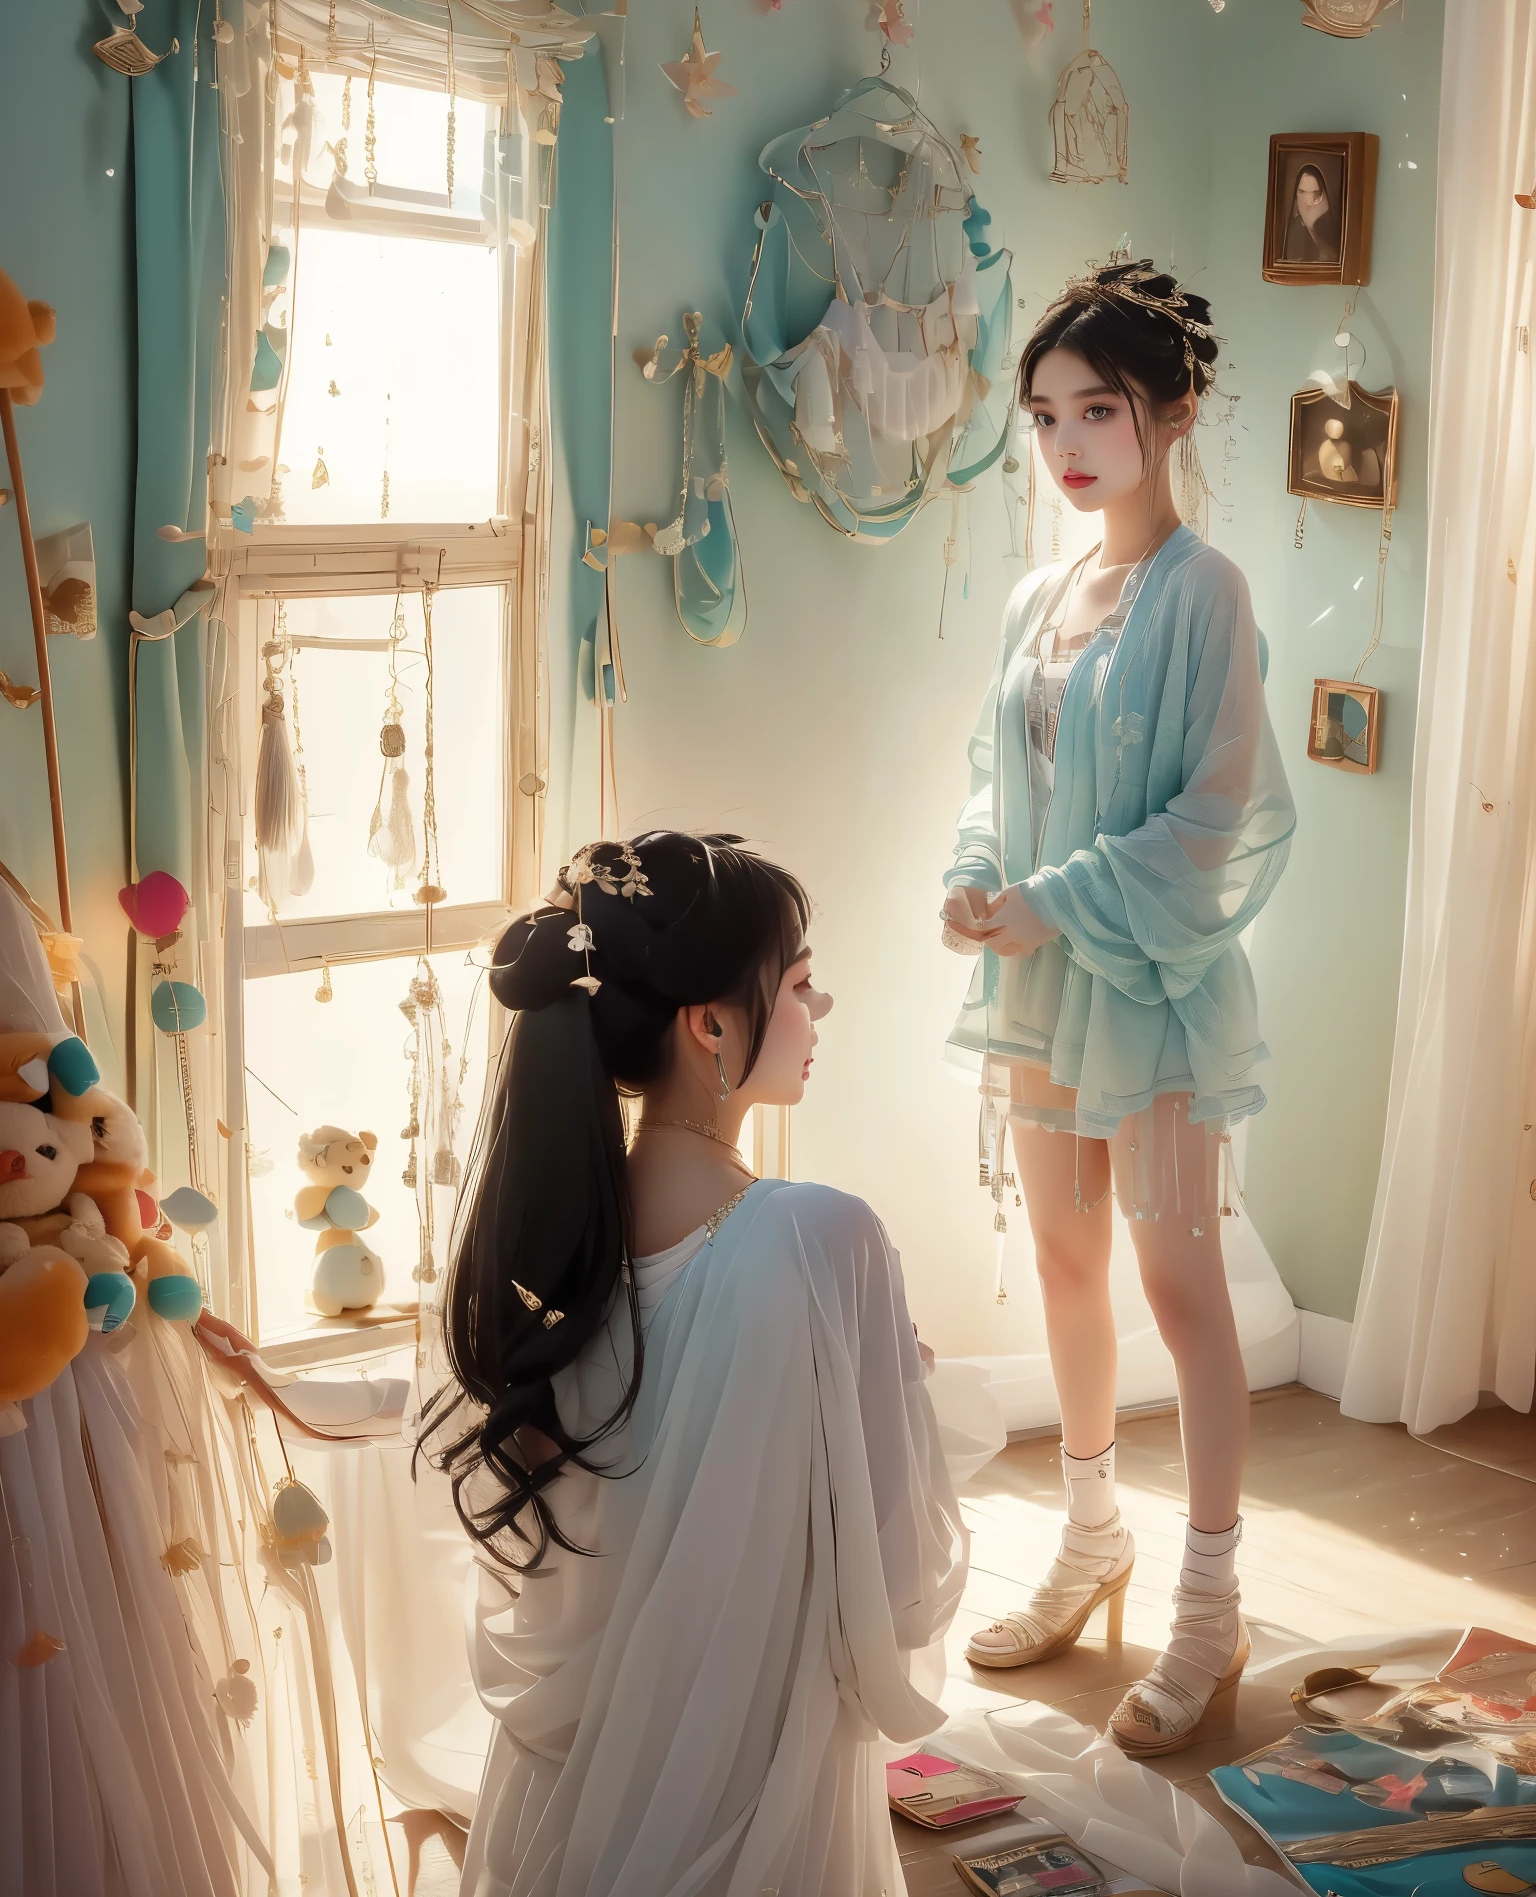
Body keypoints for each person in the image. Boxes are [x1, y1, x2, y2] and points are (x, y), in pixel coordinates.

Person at [424, 831, 967, 1896]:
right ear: (710, 1021)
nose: (822, 1010)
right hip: (759, 1793)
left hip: (563, 1807)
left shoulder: (544, 1241)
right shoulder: (821, 1237)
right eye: (802, 983)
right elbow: (901, 1592)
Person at [941, 261, 1295, 1757]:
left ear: (1172, 411)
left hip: (1146, 987)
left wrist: (1059, 898)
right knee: (1065, 1271)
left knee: (1181, 1293)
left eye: (1098, 409)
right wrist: (972, 874)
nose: (1068, 441)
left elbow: (1220, 810)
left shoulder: (1206, 589)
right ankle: (1090, 1540)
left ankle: (1208, 1604)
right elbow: (993, 772)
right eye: (1045, 416)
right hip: (1035, 982)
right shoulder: (1041, 592)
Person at [1282, 163, 1340, 264]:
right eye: (1302, 192)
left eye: (1316, 194)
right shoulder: (1295, 240)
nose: (1309, 201)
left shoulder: (1336, 239)